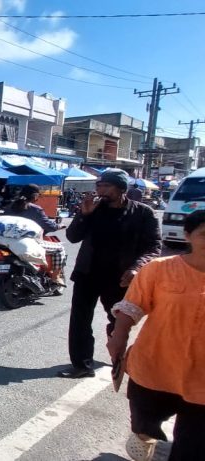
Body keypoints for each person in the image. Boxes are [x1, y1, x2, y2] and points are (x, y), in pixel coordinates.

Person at [106, 209, 205, 461]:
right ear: (188, 236)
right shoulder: (159, 269)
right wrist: (119, 337)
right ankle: (149, 444)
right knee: (143, 427)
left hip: (201, 381)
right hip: (154, 369)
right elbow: (131, 307)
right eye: (204, 234)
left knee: (191, 448)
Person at [58, 168, 161, 379]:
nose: (100, 190)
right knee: (80, 321)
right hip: (88, 274)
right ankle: (82, 365)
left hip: (119, 278)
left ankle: (118, 358)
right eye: (99, 186)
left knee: (117, 321)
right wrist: (83, 215)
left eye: (106, 186)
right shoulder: (93, 208)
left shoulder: (143, 213)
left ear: (121, 189)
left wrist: (136, 268)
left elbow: (153, 247)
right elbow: (73, 236)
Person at [3, 184, 67, 287]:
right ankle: (55, 277)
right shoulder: (35, 209)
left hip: (8, 242)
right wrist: (59, 226)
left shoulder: (9, 207)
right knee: (59, 249)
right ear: (35, 196)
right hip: (30, 242)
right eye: (38, 195)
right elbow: (48, 225)